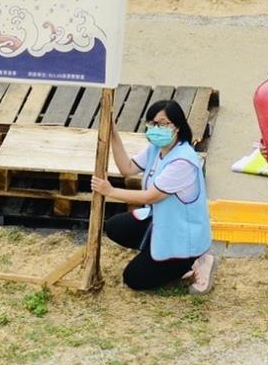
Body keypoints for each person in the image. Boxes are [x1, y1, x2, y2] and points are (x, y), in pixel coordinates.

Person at [90, 99, 216, 293]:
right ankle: (157, 254)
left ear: (178, 126)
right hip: (162, 221)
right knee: (114, 227)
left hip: (182, 237)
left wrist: (110, 191)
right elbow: (127, 168)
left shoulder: (183, 161)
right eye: (153, 123)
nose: (157, 129)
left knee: (134, 278)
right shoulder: (156, 149)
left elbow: (150, 197)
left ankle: (193, 260)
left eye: (164, 124)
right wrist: (113, 134)